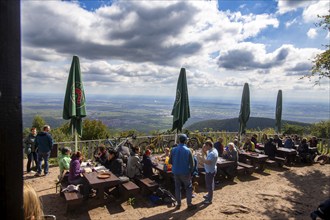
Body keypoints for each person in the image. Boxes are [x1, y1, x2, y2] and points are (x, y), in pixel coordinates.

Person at [169, 134, 196, 210]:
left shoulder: (173, 149)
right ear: (185, 141)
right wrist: (190, 172)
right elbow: (192, 164)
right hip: (185, 172)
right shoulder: (188, 150)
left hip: (175, 172)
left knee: (177, 188)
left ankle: (178, 204)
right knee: (188, 187)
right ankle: (189, 204)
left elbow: (170, 161)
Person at [199, 140, 218, 205]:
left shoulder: (212, 153)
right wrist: (203, 149)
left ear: (208, 146)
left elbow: (208, 162)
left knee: (209, 185)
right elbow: (205, 151)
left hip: (210, 171)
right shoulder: (212, 150)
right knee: (211, 183)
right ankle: (209, 195)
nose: (204, 147)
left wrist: (201, 159)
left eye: (205, 146)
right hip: (211, 169)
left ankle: (209, 199)